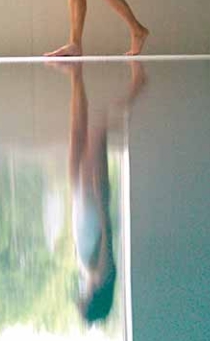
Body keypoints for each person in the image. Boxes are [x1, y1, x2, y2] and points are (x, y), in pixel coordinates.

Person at [56, 60, 147, 325]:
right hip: (91, 196)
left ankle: (76, 75)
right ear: (93, 302)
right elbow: (106, 231)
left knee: (78, 127)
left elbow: (82, 233)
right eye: (83, 304)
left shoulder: (89, 277)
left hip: (79, 195)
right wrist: (100, 192)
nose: (79, 300)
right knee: (98, 129)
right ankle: (135, 89)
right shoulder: (104, 275)